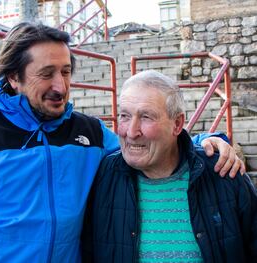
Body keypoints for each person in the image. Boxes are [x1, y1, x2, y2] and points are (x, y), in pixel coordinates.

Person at [0, 23, 244, 262]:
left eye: (65, 72)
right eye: (46, 74)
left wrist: (208, 141)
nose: (60, 86)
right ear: (14, 77)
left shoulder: (88, 133)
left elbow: (145, 146)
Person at [81, 70, 257, 262]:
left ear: (177, 124)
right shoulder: (103, 177)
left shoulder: (224, 173)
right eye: (124, 116)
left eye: (146, 117)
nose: (131, 132)